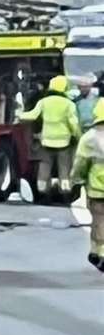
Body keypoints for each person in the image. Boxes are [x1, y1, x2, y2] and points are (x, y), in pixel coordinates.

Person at [19, 74, 82, 202]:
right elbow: (73, 124)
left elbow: (32, 115)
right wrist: (78, 136)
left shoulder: (43, 102)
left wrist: (19, 114)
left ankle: (43, 193)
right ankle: (65, 194)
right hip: (64, 143)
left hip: (46, 142)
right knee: (64, 168)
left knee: (44, 168)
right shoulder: (69, 104)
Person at [72, 110, 104, 272]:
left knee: (99, 221)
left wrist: (76, 179)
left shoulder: (90, 138)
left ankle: (100, 252)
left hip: (98, 189)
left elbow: (80, 162)